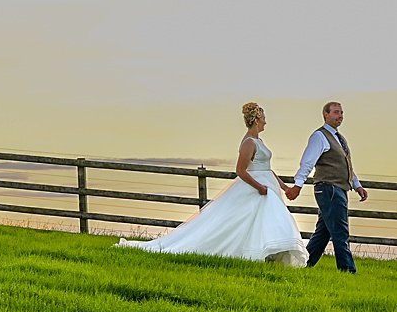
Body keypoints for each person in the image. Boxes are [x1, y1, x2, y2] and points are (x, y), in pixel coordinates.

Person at [117, 103, 308, 267]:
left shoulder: (260, 141)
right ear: (257, 119)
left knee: (270, 220)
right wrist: (258, 187)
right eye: (264, 117)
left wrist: (283, 187)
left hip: (268, 186)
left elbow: (268, 169)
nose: (266, 121)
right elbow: (240, 171)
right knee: (246, 222)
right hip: (257, 188)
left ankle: (269, 257)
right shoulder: (248, 142)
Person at [292, 100, 367, 273]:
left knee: (323, 233)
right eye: (335, 112)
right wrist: (298, 184)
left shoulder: (339, 139)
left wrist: (357, 185)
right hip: (328, 188)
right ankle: (348, 270)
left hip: (339, 188)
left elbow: (347, 165)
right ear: (325, 115)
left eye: (341, 113)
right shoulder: (319, 136)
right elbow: (307, 163)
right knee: (341, 231)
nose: (339, 116)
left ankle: (304, 265)